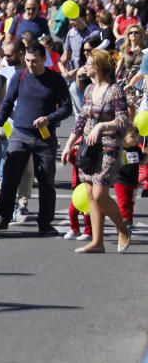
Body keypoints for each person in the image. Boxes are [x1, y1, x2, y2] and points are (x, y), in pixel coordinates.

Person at [59, 49, 132, 253]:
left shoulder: (115, 90)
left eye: (89, 63)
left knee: (100, 194)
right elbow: (81, 119)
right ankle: (97, 242)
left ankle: (122, 229)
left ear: (98, 67)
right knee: (91, 193)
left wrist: (102, 126)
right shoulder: (89, 89)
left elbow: (123, 121)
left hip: (108, 147)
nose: (85, 66)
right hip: (89, 149)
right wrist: (68, 144)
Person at [0, 43, 71, 234]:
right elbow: (7, 102)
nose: (30, 64)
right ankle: (2, 217)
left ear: (44, 59)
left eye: (34, 60)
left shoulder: (55, 79)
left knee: (46, 181)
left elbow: (66, 108)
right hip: (20, 134)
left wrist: (49, 118)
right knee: (10, 178)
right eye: (27, 60)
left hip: (44, 138)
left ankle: (45, 223)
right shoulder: (19, 77)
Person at [61, 6, 100, 114]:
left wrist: (77, 71)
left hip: (91, 74)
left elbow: (95, 56)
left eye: (73, 19)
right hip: (75, 76)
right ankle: (81, 122)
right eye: (69, 19)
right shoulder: (71, 33)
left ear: (82, 18)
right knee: (75, 93)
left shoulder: (94, 32)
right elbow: (66, 55)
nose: (71, 22)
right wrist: (62, 68)